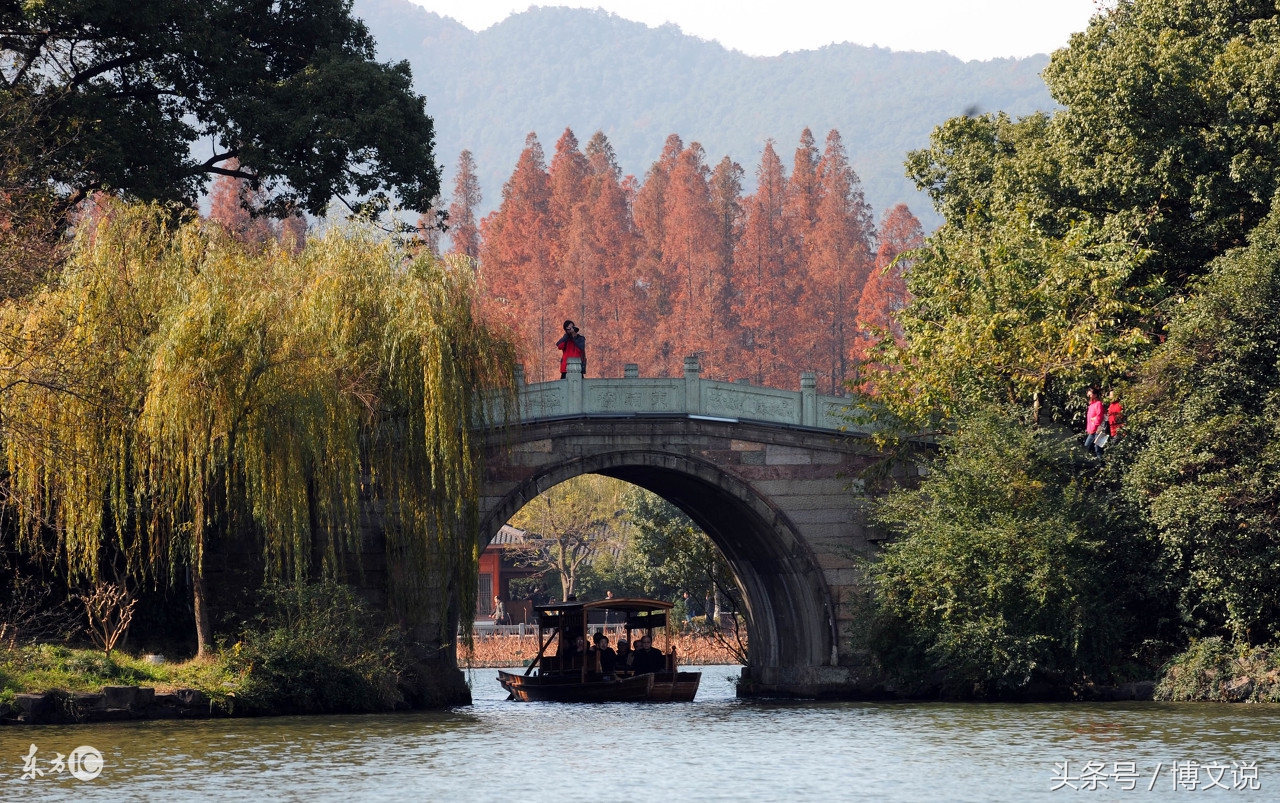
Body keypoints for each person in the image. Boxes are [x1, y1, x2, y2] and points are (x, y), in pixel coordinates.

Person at [1083, 386, 1105, 457]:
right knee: (1086, 447)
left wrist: (1094, 427)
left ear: (1095, 395)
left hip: (1097, 430)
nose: (1089, 396)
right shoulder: (1091, 405)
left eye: (1090, 395)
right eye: (1088, 395)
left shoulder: (1098, 404)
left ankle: (1102, 466)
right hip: (1092, 431)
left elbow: (1099, 417)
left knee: (1098, 449)